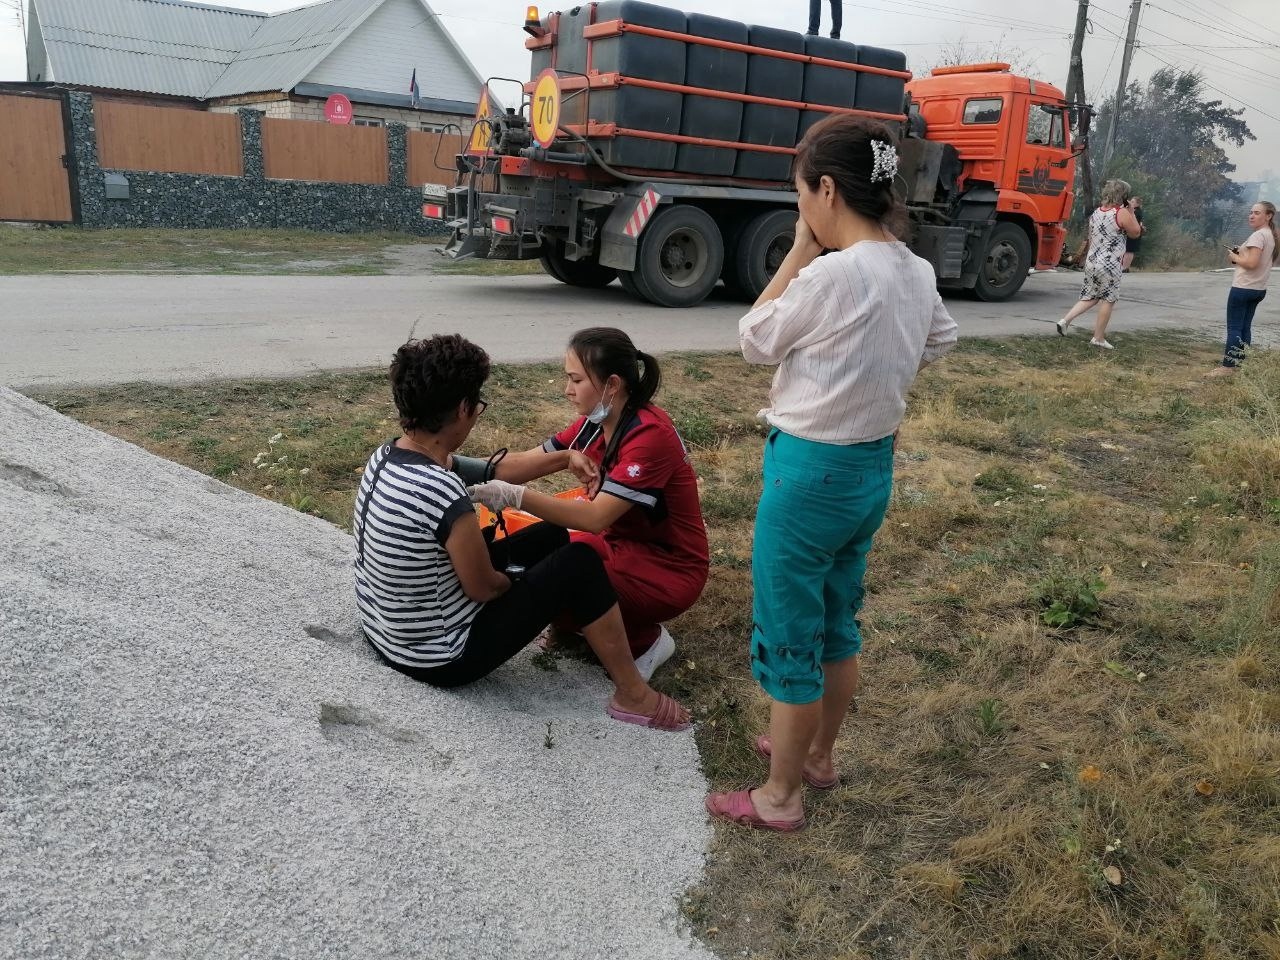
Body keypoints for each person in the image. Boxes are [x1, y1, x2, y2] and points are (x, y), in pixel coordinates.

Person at [704, 114, 958, 832]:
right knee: (837, 624)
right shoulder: (913, 268)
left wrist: (796, 252)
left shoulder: (833, 274)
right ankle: (817, 755)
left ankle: (779, 796)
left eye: (801, 196)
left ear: (825, 189)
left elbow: (754, 339)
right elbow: (942, 337)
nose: (800, 209)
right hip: (870, 469)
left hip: (808, 473)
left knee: (791, 635)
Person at [353, 334, 690, 732]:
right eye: (476, 404)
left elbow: (517, 474)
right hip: (440, 657)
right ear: (462, 409)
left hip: (387, 630)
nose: (567, 390)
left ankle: (577, 627)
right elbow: (484, 589)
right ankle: (634, 695)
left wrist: (556, 464)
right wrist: (521, 585)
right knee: (579, 563)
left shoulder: (387, 454)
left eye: (575, 380)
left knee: (552, 537)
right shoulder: (440, 488)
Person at [467, 328, 710, 682]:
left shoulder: (649, 435)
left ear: (612, 384)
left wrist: (514, 496)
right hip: (620, 546)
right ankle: (581, 623)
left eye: (576, 380)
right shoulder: (593, 425)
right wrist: (448, 465)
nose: (567, 389)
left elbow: (595, 518)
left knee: (559, 581)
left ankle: (646, 641)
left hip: (669, 567)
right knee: (540, 565)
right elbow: (520, 464)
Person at [1054, 179, 1143, 349]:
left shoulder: (1097, 212)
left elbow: (1092, 236)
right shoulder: (1120, 213)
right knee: (1108, 300)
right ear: (1123, 196)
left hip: (1092, 261)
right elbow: (1135, 233)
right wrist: (1131, 212)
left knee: (1091, 295)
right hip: (1109, 263)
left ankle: (1065, 321)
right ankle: (1098, 337)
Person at [1207, 200, 1277, 377]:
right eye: (1251, 212)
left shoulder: (1258, 236)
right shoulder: (1270, 234)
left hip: (1244, 287)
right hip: (1258, 288)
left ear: (1269, 216)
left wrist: (1234, 257)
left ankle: (1228, 367)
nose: (1252, 216)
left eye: (1257, 213)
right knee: (1245, 327)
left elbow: (1252, 264)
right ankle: (1239, 364)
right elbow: (1256, 260)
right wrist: (1240, 254)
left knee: (1235, 328)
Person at [1121, 196, 1145, 272]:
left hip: (1133, 232)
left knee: (1129, 250)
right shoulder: (1134, 211)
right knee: (1128, 250)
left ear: (1137, 204)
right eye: (1131, 201)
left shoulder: (1136, 212)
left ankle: (1125, 267)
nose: (1131, 203)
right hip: (1132, 232)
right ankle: (1125, 267)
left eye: (1133, 202)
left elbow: (1130, 220)